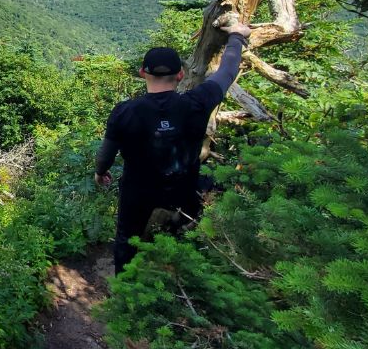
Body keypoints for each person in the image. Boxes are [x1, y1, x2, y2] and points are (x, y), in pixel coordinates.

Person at [94, 22, 252, 272]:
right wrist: (236, 37)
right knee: (197, 201)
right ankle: (175, 262)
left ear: (142, 73)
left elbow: (106, 154)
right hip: (182, 189)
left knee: (126, 237)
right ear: (180, 75)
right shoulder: (197, 102)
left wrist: (100, 172)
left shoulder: (125, 112)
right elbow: (227, 72)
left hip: (138, 190)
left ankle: (125, 289)